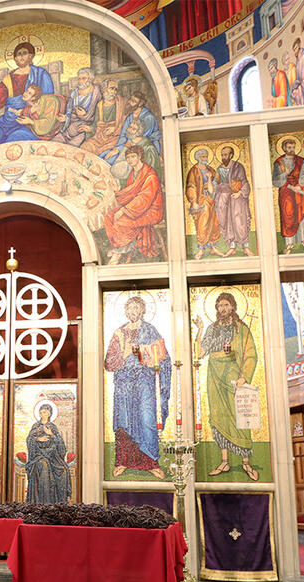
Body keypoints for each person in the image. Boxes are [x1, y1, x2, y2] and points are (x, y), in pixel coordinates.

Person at [103, 296, 171, 480]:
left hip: (144, 381)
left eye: (137, 308)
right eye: (130, 308)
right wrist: (125, 354)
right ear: (126, 311)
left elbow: (163, 356)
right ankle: (123, 461)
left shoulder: (150, 330)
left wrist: (144, 352)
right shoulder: (119, 333)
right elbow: (108, 363)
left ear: (142, 311)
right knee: (124, 421)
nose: (133, 311)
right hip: (124, 384)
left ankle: (151, 462)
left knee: (146, 418)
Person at [196, 292, 259, 480]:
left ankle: (246, 462)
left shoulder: (241, 329)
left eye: (226, 305)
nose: (222, 308)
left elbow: (251, 355)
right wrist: (200, 330)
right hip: (214, 375)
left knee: (240, 416)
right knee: (218, 417)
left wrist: (244, 377)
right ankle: (224, 461)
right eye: (220, 305)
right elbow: (200, 353)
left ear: (232, 306)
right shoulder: (212, 329)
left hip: (233, 375)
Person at [103, 146, 165, 264]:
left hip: (151, 211)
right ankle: (118, 245)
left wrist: (124, 210)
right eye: (128, 157)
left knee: (121, 222)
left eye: (133, 156)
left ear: (139, 156)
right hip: (137, 209)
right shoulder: (134, 173)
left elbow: (144, 199)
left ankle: (119, 252)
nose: (130, 160)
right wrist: (118, 191)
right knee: (109, 217)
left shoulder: (150, 175)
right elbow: (130, 194)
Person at [0, 41, 54, 114]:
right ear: (15, 58)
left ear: (30, 56)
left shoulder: (41, 74)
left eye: (25, 53)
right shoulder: (8, 78)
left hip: (34, 115)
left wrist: (29, 113)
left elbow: (49, 100)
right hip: (10, 116)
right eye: (19, 54)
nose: (21, 56)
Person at [0, 84, 43, 152]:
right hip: (3, 124)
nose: (26, 93)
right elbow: (9, 112)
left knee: (13, 140)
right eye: (27, 91)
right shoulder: (17, 100)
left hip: (19, 128)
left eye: (29, 93)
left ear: (33, 98)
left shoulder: (35, 107)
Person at [25, 402, 71, 503]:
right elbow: (29, 440)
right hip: (38, 456)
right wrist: (37, 439)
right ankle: (44, 502)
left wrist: (52, 435)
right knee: (44, 466)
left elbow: (61, 446)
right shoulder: (35, 426)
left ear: (49, 414)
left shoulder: (52, 427)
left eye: (45, 412)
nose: (43, 414)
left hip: (52, 456)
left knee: (63, 470)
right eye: (41, 412)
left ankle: (60, 502)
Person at [101, 91, 160, 165]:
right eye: (130, 99)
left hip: (144, 148)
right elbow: (123, 135)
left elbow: (140, 139)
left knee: (112, 160)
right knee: (104, 154)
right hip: (130, 145)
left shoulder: (148, 118)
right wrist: (117, 148)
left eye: (133, 101)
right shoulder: (130, 117)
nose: (129, 102)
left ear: (140, 104)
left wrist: (120, 149)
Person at [214, 145, 252, 256]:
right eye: (222, 155)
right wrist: (211, 185)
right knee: (226, 222)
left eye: (225, 155)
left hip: (236, 198)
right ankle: (232, 247)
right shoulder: (219, 169)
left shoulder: (238, 167)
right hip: (223, 197)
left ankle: (245, 247)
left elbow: (244, 181)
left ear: (231, 155)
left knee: (239, 221)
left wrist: (240, 193)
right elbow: (216, 181)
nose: (223, 157)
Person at [271, 138, 304, 252]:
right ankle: (290, 243)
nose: (291, 150)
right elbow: (275, 181)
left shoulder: (301, 161)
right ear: (284, 148)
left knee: (301, 213)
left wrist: (300, 186)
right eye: (289, 147)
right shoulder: (279, 162)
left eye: (293, 147)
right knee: (288, 215)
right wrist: (284, 174)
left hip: (299, 191)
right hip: (286, 191)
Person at [52, 67, 100, 146]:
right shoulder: (75, 93)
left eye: (84, 78)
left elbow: (100, 117)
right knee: (53, 144)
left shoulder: (97, 94)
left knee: (71, 148)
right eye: (79, 79)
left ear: (91, 79)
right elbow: (69, 112)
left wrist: (84, 116)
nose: (80, 81)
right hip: (69, 128)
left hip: (83, 130)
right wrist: (66, 118)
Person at [185, 148, 218, 259]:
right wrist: (193, 201)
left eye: (206, 156)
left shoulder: (211, 170)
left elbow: (217, 181)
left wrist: (212, 183)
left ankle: (213, 247)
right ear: (198, 158)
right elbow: (191, 186)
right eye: (203, 156)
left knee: (214, 223)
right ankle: (201, 249)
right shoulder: (193, 171)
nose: (205, 158)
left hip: (212, 199)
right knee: (202, 224)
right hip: (201, 200)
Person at [80, 79, 125, 155]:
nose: (114, 92)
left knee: (105, 151)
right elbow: (96, 123)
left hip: (115, 136)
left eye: (116, 89)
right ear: (104, 89)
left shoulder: (121, 103)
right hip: (100, 136)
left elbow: (127, 121)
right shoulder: (99, 105)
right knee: (85, 147)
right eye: (111, 88)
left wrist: (116, 128)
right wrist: (90, 128)